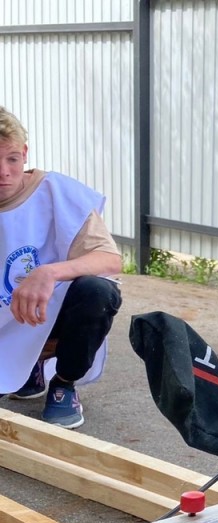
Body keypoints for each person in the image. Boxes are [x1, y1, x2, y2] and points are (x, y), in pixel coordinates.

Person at [0, 106, 122, 429]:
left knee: (98, 290)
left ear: (25, 154)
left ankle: (63, 383)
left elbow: (110, 259)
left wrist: (49, 272)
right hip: (6, 320)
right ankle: (25, 369)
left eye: (12, 159)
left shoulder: (55, 192)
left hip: (52, 316)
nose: (4, 172)